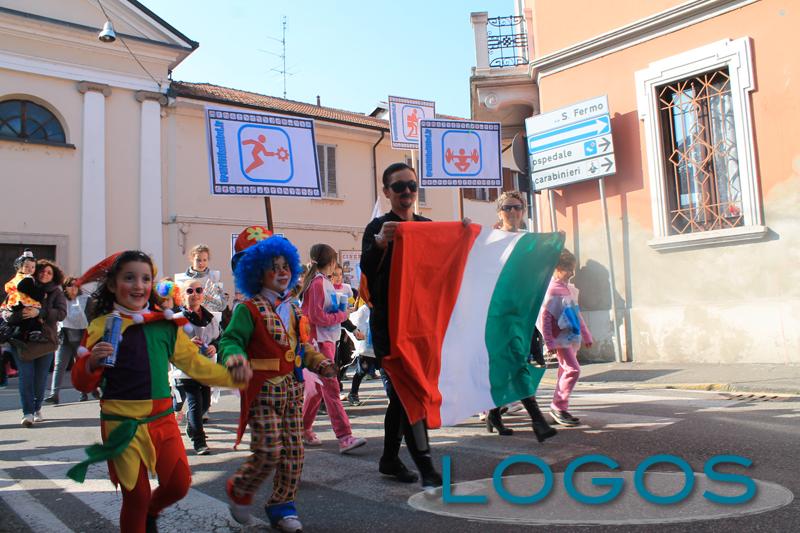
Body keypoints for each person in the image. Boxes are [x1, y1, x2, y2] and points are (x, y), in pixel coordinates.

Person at [66, 250, 249, 533]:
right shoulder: (100, 327)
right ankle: (142, 515)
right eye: (129, 278)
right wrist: (90, 363)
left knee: (178, 484)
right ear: (113, 285)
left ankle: (151, 512)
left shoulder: (164, 325)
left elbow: (195, 365)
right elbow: (82, 384)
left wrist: (231, 377)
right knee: (135, 497)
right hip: (121, 424)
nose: (138, 285)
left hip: (162, 421)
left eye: (145, 279)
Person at [219, 230, 337, 532]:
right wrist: (235, 358)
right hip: (263, 392)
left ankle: (282, 507)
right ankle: (241, 487)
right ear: (256, 272)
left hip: (292, 392)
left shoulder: (294, 309)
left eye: (286, 266)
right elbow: (230, 341)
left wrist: (320, 362)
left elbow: (301, 347)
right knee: (269, 451)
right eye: (274, 267)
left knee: (294, 454)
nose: (282, 272)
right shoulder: (248, 309)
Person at [360, 162, 442, 489]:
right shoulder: (377, 228)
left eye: (412, 185)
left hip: (421, 325)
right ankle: (426, 464)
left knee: (400, 396)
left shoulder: (427, 227)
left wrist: (463, 234)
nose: (407, 191)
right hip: (390, 328)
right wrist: (380, 243)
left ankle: (389, 458)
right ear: (387, 192)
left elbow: (446, 263)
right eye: (399, 186)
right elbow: (367, 270)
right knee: (408, 393)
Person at [483, 191, 558, 443]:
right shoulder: (491, 240)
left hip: (521, 313)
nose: (513, 212)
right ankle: (537, 420)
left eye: (517, 207)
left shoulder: (529, 241)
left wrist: (553, 245)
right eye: (507, 208)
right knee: (514, 361)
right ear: (499, 212)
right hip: (496, 313)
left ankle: (494, 413)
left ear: (524, 211)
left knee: (508, 364)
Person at [299, 244, 367, 453]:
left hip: (322, 341)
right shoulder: (318, 283)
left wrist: (339, 314)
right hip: (319, 343)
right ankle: (344, 436)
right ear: (330, 262)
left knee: (318, 390)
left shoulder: (318, 282)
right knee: (331, 388)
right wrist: (341, 315)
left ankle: (303, 429)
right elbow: (317, 316)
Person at [6, 259, 67, 427]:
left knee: (40, 379)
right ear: (35, 271)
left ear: (54, 276)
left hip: (45, 340)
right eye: (42, 271)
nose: (44, 274)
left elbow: (62, 313)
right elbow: (6, 310)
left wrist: (39, 312)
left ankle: (37, 407)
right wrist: (21, 314)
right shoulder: (20, 285)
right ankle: (27, 412)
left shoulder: (56, 292)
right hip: (22, 340)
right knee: (26, 377)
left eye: (49, 272)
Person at [542, 249, 593, 427]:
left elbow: (576, 314)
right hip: (560, 340)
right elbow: (545, 318)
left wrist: (586, 334)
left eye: (573, 269)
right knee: (573, 370)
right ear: (556, 268)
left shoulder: (567, 289)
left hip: (570, 337)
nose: (572, 273)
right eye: (568, 269)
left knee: (565, 371)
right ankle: (558, 407)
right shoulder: (552, 290)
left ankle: (559, 407)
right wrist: (549, 341)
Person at [174, 278, 221, 455]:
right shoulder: (176, 319)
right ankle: (199, 442)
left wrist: (214, 346)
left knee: (205, 404)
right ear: (182, 296)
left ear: (203, 295)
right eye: (189, 291)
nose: (195, 294)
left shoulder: (211, 318)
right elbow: (169, 344)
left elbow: (219, 338)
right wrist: (187, 344)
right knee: (195, 403)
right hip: (186, 370)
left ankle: (191, 426)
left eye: (198, 290)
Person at [44, 276, 90, 404]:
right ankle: (54, 395)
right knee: (59, 365)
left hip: (81, 337)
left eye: (76, 285)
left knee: (81, 366)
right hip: (64, 337)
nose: (73, 288)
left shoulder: (85, 299)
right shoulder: (60, 300)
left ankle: (83, 392)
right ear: (65, 288)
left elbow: (91, 317)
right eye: (70, 285)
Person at [1, 249, 45, 343]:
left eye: (33, 267)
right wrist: (41, 294)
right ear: (20, 267)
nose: (30, 269)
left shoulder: (18, 278)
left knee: (28, 319)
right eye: (26, 266)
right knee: (28, 319)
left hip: (16, 302)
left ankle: (28, 333)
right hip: (22, 302)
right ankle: (29, 333)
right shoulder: (27, 278)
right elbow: (27, 289)